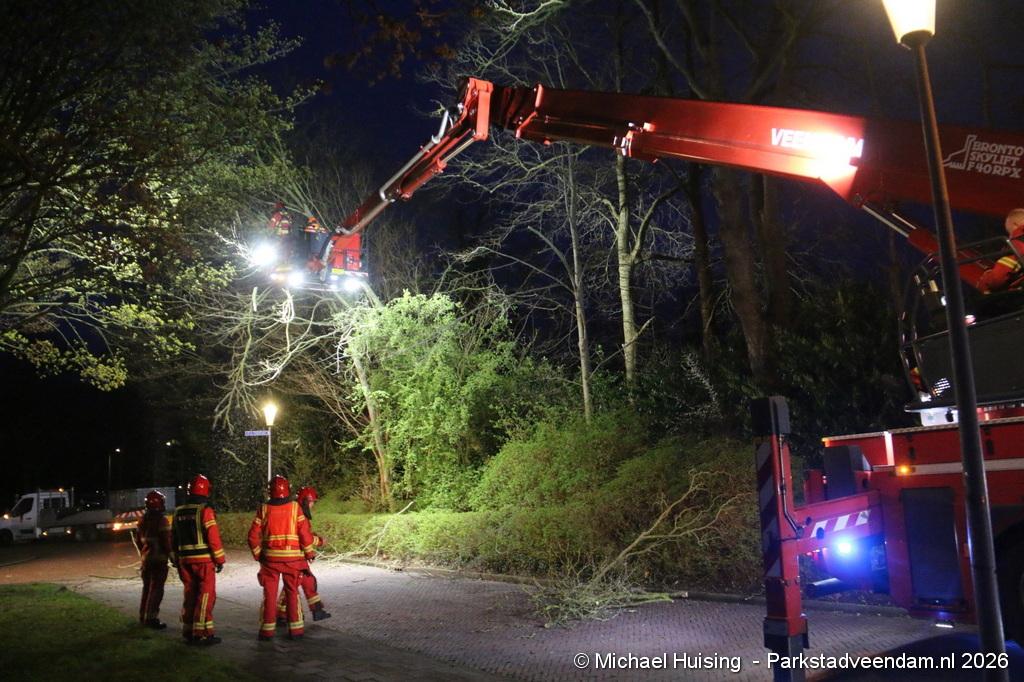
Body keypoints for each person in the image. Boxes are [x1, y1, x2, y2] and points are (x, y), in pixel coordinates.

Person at [248, 474, 317, 641]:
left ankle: (266, 632)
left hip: (270, 561)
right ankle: (296, 631)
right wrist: (309, 553)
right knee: (292, 593)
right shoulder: (295, 508)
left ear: (269, 492)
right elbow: (304, 533)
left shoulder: (264, 509)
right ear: (288, 490)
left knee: (270, 595)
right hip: (292, 561)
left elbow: (252, 536)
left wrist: (258, 555)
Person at [170, 474, 226, 645]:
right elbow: (213, 537)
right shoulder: (205, 510)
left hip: (184, 561)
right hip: (203, 562)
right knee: (206, 596)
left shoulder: (178, 511)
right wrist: (220, 559)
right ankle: (201, 633)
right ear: (206, 490)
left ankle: (188, 630)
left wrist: (175, 558)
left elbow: (173, 539)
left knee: (190, 594)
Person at [276, 486, 331, 626]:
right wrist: (320, 541)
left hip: (294, 556)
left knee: (302, 583)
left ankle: (314, 611)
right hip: (296, 557)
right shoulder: (301, 515)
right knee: (298, 584)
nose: (313, 505)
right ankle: (287, 616)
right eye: (312, 502)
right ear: (306, 501)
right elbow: (305, 538)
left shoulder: (294, 512)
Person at [137, 490, 172, 629]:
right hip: (159, 561)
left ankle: (143, 616)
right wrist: (172, 556)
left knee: (147, 588)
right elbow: (167, 541)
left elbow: (139, 541)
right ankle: (151, 619)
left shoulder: (142, 520)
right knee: (156, 590)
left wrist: (144, 554)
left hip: (146, 560)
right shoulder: (162, 520)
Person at [978, 208, 1024, 293]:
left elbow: (997, 279)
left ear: (1015, 225)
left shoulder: (1017, 244)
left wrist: (985, 280)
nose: (1010, 236)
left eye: (1010, 232)